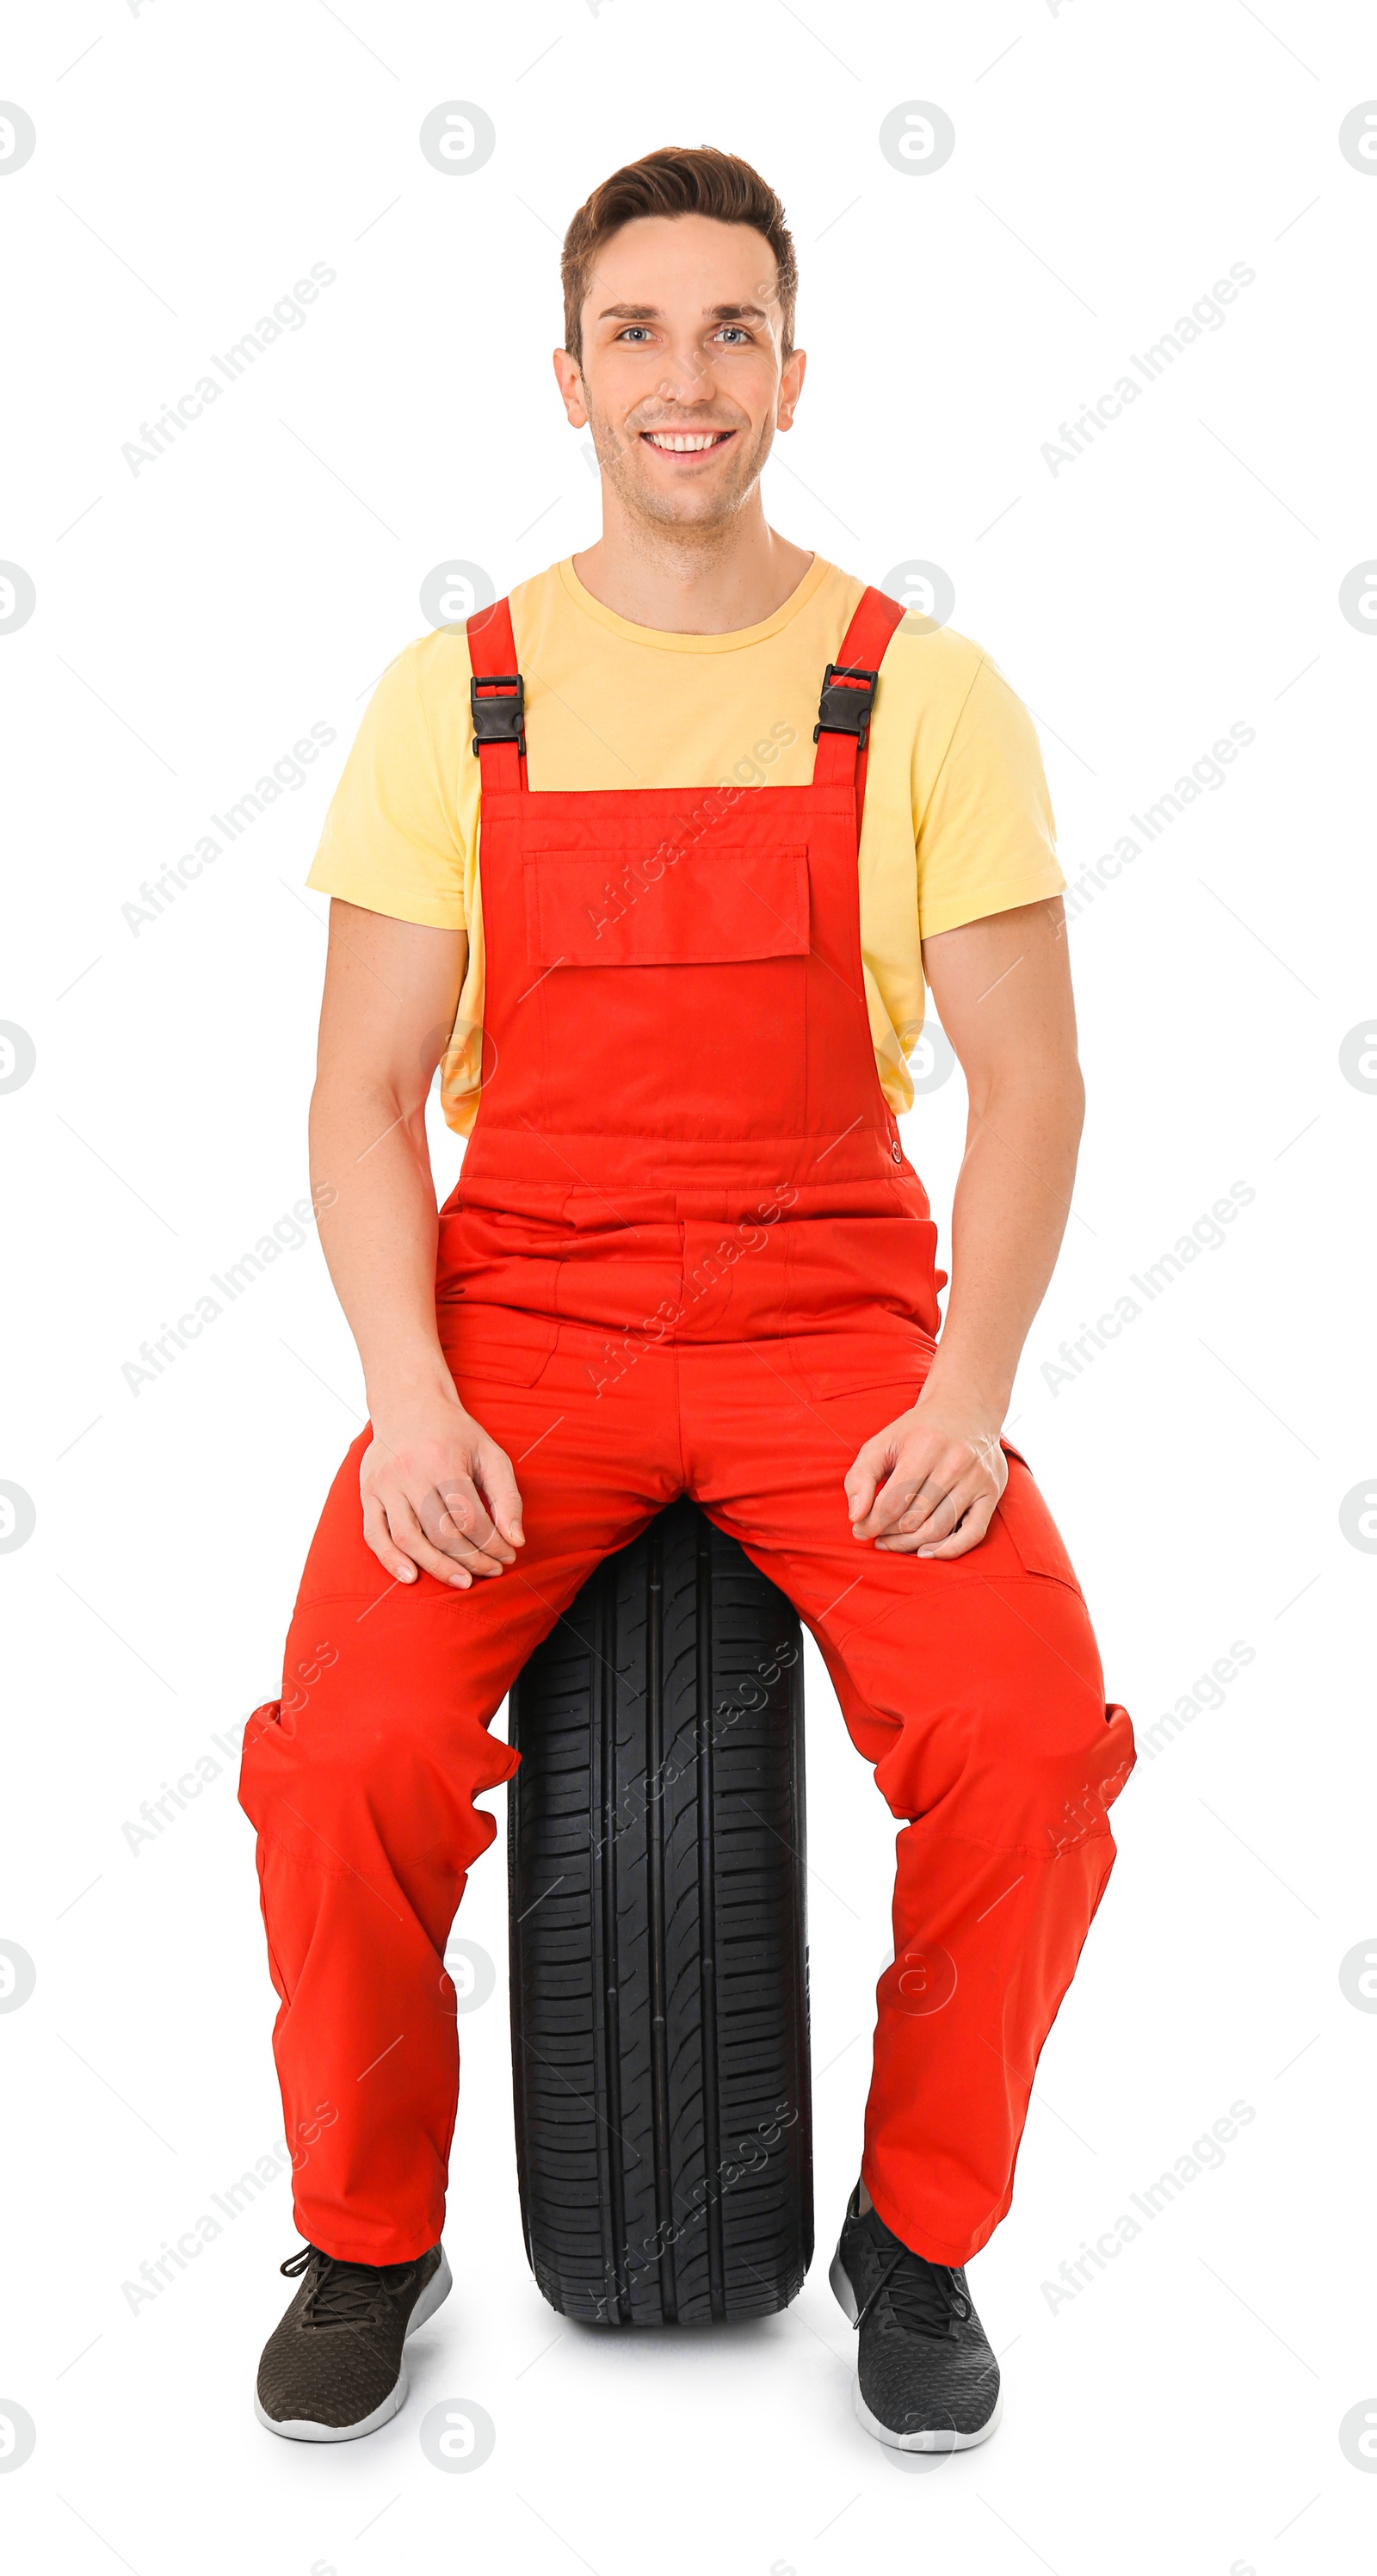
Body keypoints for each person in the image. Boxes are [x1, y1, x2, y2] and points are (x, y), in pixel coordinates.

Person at [240, 143, 1134, 2452]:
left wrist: (969, 1390)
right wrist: (408, 1396)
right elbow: (357, 1095)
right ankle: (368, 2233)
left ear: (795, 374)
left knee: (1034, 1746)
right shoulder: (460, 695)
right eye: (638, 329)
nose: (687, 374)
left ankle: (917, 2237)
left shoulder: (918, 695)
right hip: (517, 1322)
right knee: (336, 1754)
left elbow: (1028, 1088)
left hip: (834, 1329)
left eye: (732, 327)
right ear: (567, 375)